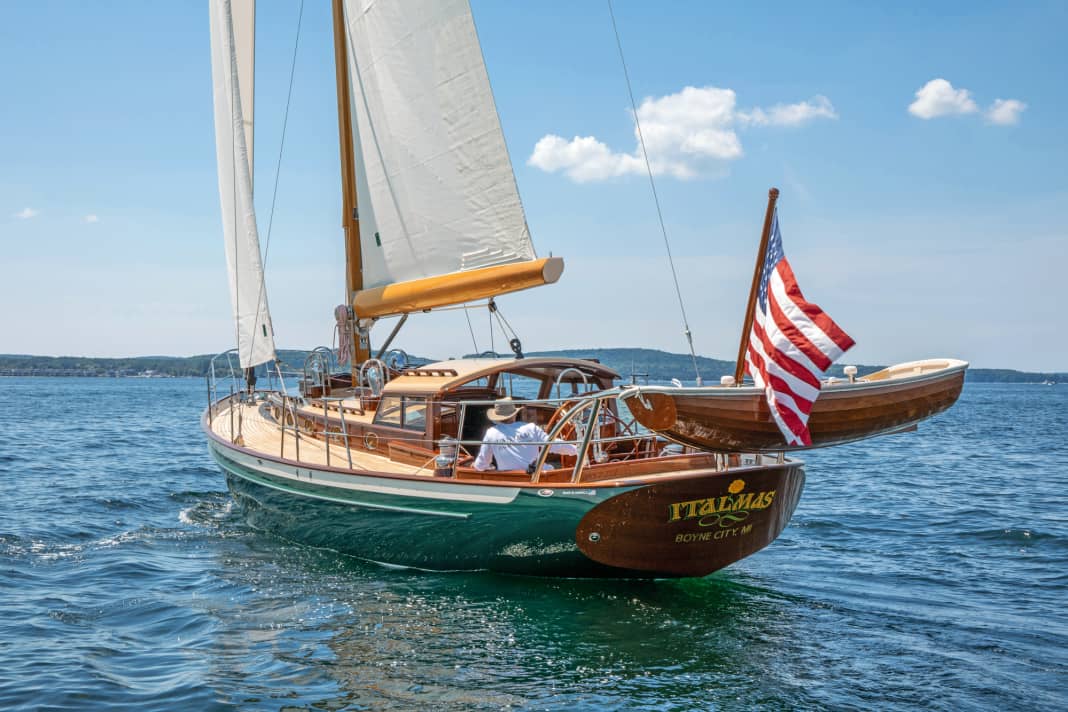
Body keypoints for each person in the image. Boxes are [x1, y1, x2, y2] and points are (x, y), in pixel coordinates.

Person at [472, 397, 578, 472]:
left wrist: (475, 466)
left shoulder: (491, 433)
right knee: (553, 468)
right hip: (537, 475)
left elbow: (482, 464)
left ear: (497, 417)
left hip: (511, 479)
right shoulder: (531, 427)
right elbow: (554, 445)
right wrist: (577, 449)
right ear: (514, 414)